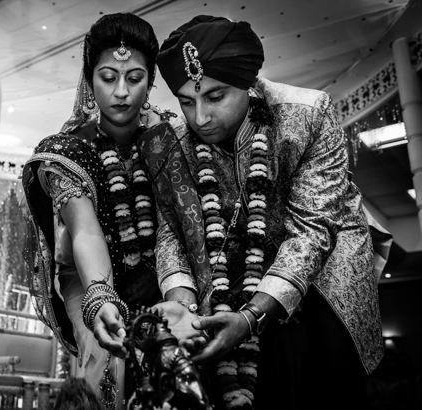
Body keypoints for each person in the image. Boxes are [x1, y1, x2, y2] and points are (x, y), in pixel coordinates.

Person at [137, 15, 392, 410]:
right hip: (236, 263)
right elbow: (173, 228)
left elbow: (311, 228)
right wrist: (182, 302)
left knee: (331, 372)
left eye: (215, 97)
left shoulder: (308, 114)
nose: (200, 117)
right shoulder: (176, 141)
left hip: (329, 257)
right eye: (187, 101)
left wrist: (253, 315)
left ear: (247, 82)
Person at [22, 13, 172, 410]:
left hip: (160, 269)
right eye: (108, 77)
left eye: (135, 78)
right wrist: (102, 297)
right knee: (107, 359)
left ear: (151, 80)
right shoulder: (66, 150)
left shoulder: (170, 136)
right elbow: (86, 232)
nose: (121, 92)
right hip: (88, 275)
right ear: (90, 80)